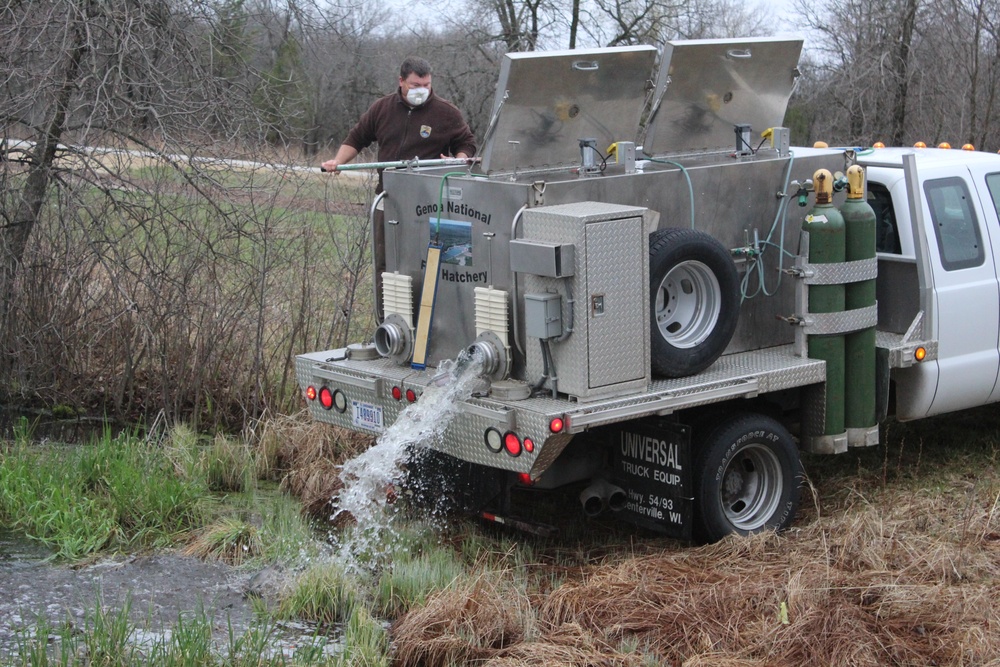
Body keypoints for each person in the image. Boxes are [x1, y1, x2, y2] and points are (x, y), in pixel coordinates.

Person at [322, 57, 477, 316]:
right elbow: (357, 137)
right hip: (390, 200)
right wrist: (337, 162)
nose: (422, 90)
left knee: (434, 262)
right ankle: (389, 322)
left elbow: (467, 144)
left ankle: (436, 320)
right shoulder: (381, 109)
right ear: (401, 81)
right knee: (387, 263)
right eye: (416, 84)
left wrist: (458, 159)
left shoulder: (446, 112)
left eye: (427, 85)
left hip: (432, 203)